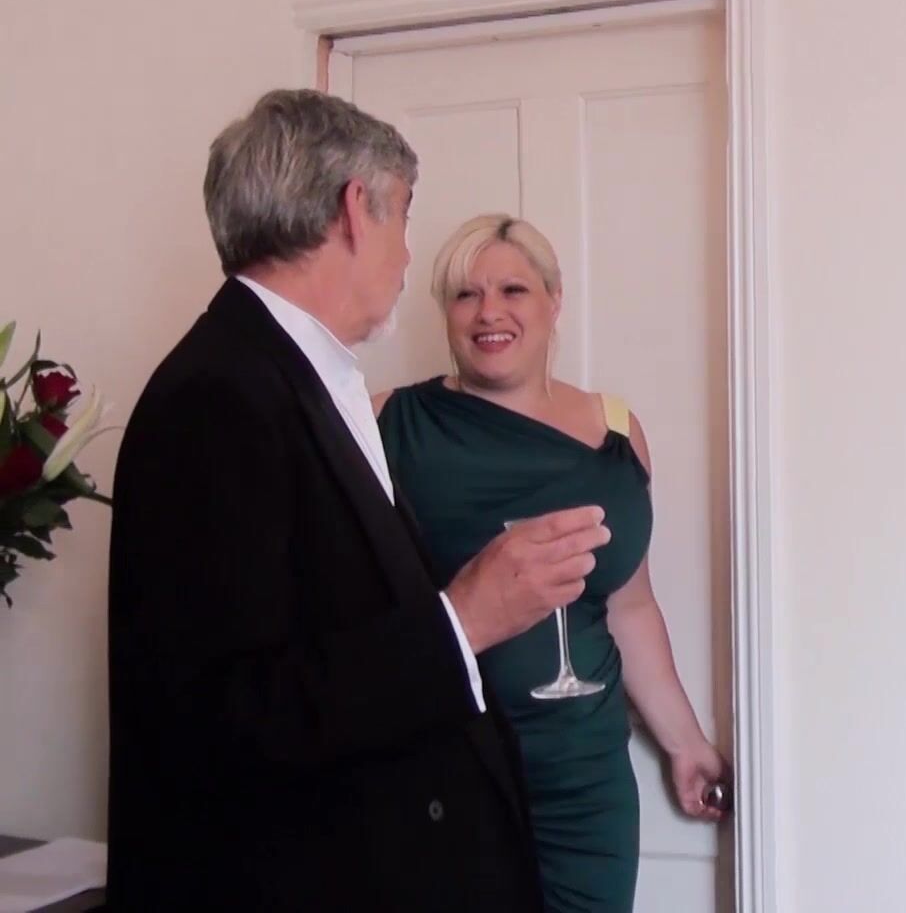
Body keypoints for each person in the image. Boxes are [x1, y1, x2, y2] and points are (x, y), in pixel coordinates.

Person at [108, 90, 610, 911]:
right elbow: (221, 716)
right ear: (353, 209)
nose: (408, 255)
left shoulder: (295, 377)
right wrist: (464, 620)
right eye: (403, 216)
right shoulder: (216, 396)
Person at [375, 213, 729, 913]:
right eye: (466, 294)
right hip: (446, 782)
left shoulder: (616, 430)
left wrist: (685, 743)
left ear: (554, 300)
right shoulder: (388, 425)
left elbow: (629, 606)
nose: (489, 312)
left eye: (513, 290)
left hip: (585, 785)